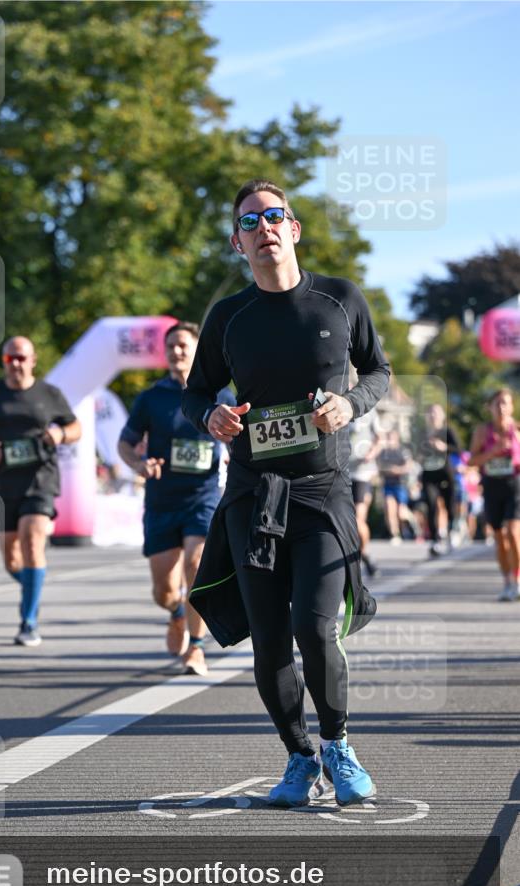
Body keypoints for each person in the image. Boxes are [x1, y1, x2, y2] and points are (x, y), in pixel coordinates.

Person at [182, 179, 390, 807]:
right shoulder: (228, 317)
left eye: (275, 216)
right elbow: (197, 394)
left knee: (315, 627)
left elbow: (378, 372)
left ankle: (338, 744)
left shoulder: (340, 300)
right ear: (238, 242)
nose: (264, 227)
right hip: (253, 494)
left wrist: (348, 405)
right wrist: (209, 419)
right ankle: (299, 757)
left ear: (294, 229)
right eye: (251, 222)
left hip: (322, 490)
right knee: (270, 638)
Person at [118, 321, 235, 675]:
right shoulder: (151, 398)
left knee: (197, 566)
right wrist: (139, 463)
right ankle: (176, 612)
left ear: (198, 349)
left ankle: (197, 648)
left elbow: (241, 438)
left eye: (184, 345)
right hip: (162, 501)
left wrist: (234, 450)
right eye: (171, 346)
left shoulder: (222, 396)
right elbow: (125, 443)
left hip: (204, 497)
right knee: (164, 589)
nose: (177, 351)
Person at [0, 336, 81, 645]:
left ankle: (28, 622)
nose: (15, 364)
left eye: (21, 358)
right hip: (5, 483)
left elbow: (75, 428)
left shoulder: (49, 394)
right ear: (3, 362)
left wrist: (60, 433)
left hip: (40, 480)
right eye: (9, 359)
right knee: (11, 560)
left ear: (32, 361)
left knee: (32, 542)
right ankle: (33, 589)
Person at [469, 387, 520, 601]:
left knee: (513, 533)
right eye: (497, 403)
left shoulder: (517, 431)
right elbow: (471, 461)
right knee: (500, 538)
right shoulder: (482, 431)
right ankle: (507, 582)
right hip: (491, 486)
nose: (501, 407)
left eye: (505, 403)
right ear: (489, 407)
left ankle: (517, 581)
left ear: (512, 407)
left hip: (514, 486)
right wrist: (493, 451)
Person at [418, 402, 461, 557]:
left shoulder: (447, 431)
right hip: (428, 474)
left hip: (445, 473)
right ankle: (435, 540)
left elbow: (458, 449)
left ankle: (451, 533)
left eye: (436, 412)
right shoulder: (423, 432)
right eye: (430, 413)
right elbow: (415, 450)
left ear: (442, 415)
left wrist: (444, 447)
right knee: (430, 504)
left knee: (449, 504)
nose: (433, 415)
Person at [348, 405, 383, 575]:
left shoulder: (368, 409)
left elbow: (380, 438)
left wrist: (371, 453)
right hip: (342, 472)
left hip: (363, 473)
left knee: (358, 519)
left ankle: (366, 553)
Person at [377, 428, 414, 544]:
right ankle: (395, 534)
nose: (389, 440)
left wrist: (397, 470)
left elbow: (409, 466)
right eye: (388, 438)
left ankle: (407, 527)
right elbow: (379, 467)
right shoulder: (383, 453)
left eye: (391, 438)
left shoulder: (403, 451)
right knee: (389, 508)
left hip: (401, 485)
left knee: (400, 512)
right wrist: (388, 471)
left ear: (397, 438)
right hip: (388, 484)